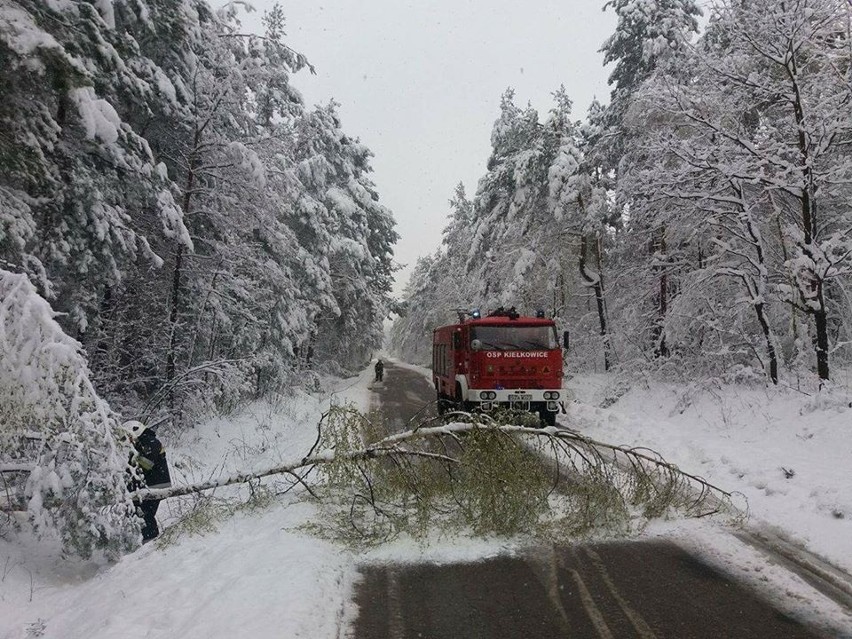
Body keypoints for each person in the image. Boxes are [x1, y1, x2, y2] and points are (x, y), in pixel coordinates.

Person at [124, 420, 172, 543]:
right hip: (149, 485)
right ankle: (146, 540)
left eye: (128, 436)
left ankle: (150, 542)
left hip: (156, 485)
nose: (128, 440)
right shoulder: (142, 443)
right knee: (138, 511)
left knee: (145, 513)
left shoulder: (151, 442)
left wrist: (129, 463)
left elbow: (147, 464)